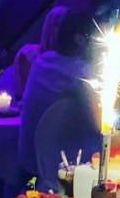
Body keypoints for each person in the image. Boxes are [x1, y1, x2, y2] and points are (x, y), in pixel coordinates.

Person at [17, 11, 94, 176]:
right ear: (80, 39)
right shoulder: (83, 72)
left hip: (28, 164)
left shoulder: (41, 63)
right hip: (60, 172)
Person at [9, 6, 68, 100]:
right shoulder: (29, 54)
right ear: (49, 26)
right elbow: (27, 91)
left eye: (66, 27)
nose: (62, 31)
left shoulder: (71, 62)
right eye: (58, 25)